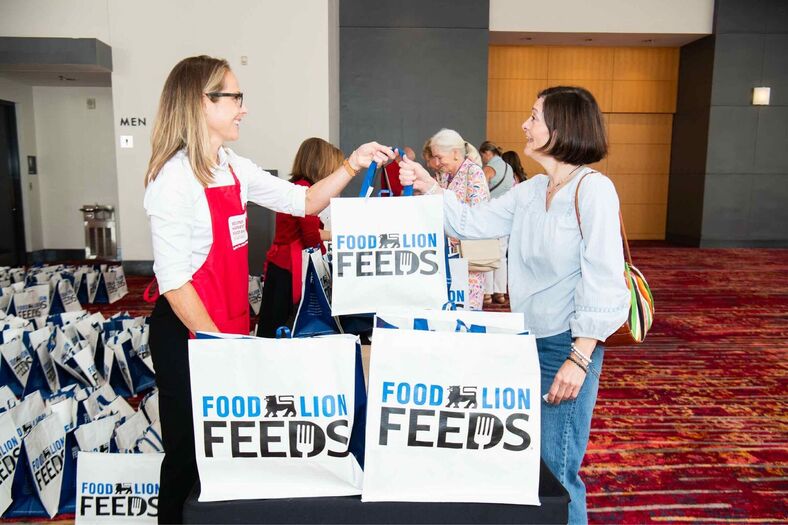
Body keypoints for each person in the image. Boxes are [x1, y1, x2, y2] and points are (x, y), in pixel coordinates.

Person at [143, 55, 394, 523]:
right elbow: (175, 282)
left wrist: (353, 165)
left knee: (227, 455)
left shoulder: (231, 166)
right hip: (191, 337)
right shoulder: (174, 179)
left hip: (230, 331)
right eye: (234, 97)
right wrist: (218, 350)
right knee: (187, 455)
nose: (243, 108)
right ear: (202, 103)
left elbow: (302, 199)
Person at [399, 86, 630, 525]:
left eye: (535, 117)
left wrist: (578, 358)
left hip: (567, 345)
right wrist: (430, 183)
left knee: (559, 471)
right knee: (533, 465)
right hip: (526, 340)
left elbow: (604, 280)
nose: (525, 125)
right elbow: (471, 223)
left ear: (562, 128)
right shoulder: (533, 189)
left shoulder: (594, 191)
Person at [256, 137, 343, 338]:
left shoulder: (295, 187)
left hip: (282, 264)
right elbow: (311, 236)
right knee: (285, 320)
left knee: (273, 320)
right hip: (290, 267)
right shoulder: (305, 191)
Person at [428, 128, 489, 310]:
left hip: (467, 256)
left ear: (455, 153)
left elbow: (477, 213)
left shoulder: (474, 173)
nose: (436, 163)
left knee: (466, 309)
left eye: (439, 157)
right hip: (448, 256)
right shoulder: (446, 176)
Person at [478, 141, 515, 305]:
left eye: (482, 156)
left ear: (486, 153)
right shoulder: (509, 168)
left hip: (490, 215)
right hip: (506, 216)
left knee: (487, 254)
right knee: (501, 257)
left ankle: (487, 292)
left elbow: (480, 190)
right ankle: (500, 292)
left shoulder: (488, 169)